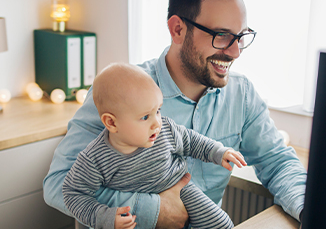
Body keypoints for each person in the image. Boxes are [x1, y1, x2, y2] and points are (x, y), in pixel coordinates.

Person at [44, 0, 307, 229]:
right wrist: (154, 211)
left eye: (241, 37)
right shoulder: (118, 93)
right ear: (178, 29)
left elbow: (278, 162)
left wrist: (309, 210)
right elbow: (58, 184)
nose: (235, 52)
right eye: (222, 35)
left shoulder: (242, 95)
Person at [63, 63, 246, 229]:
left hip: (181, 189)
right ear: (111, 123)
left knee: (221, 224)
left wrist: (219, 152)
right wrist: (105, 217)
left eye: (158, 110)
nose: (157, 123)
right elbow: (73, 194)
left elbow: (192, 141)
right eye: (145, 117)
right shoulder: (95, 159)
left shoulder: (164, 129)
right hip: (137, 217)